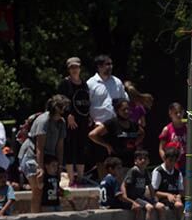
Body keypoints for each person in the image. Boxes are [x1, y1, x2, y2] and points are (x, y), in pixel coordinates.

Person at [20, 95, 69, 214]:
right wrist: (40, 169)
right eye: (64, 107)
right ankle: (35, 219)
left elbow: (60, 147)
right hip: (32, 156)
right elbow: (39, 147)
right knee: (38, 190)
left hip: (49, 159)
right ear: (57, 107)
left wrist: (60, 167)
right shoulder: (44, 120)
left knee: (49, 189)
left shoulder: (61, 122)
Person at [58, 57, 92, 186]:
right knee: (70, 147)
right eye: (72, 67)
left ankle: (80, 178)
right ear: (68, 69)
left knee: (81, 148)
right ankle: (71, 179)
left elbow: (85, 100)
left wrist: (88, 115)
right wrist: (67, 115)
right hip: (70, 120)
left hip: (82, 118)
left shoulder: (84, 84)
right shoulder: (65, 84)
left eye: (76, 67)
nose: (74, 70)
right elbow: (61, 100)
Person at [89, 98, 142, 173]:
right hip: (116, 163)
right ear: (117, 111)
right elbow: (92, 135)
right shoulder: (112, 123)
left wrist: (136, 142)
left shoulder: (133, 124)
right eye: (123, 110)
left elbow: (142, 133)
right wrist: (107, 145)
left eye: (128, 109)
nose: (127, 112)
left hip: (131, 160)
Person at [126, 149, 164, 220]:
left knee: (160, 206)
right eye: (140, 159)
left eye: (145, 159)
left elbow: (150, 186)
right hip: (134, 197)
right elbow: (125, 185)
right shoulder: (134, 171)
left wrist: (154, 198)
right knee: (149, 208)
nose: (143, 161)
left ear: (148, 161)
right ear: (135, 161)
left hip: (141, 197)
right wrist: (129, 200)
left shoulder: (145, 172)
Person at [86, 54, 128, 126]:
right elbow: (86, 104)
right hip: (98, 125)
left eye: (111, 64)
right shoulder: (90, 83)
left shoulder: (117, 82)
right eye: (107, 64)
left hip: (116, 124)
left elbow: (124, 101)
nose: (110, 67)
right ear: (99, 66)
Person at [151, 146, 184, 218]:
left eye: (175, 161)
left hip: (175, 198)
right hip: (162, 199)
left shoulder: (177, 173)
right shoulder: (158, 171)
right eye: (170, 160)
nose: (172, 163)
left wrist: (179, 196)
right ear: (165, 159)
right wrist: (167, 195)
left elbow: (181, 190)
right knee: (179, 206)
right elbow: (153, 191)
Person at [157, 102, 187, 170]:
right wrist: (167, 162)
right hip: (173, 166)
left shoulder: (188, 127)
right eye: (176, 113)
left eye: (180, 112)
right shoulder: (167, 129)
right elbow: (161, 149)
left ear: (183, 112)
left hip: (187, 164)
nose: (178, 115)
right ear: (170, 114)